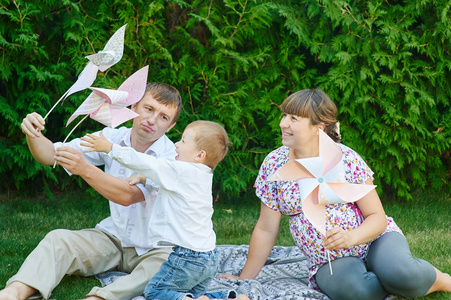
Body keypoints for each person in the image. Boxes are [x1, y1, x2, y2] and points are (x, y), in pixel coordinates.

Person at [220, 89, 451, 300]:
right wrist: (245, 278)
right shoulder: (274, 164)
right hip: (330, 259)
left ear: (318, 127)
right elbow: (266, 228)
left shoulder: (345, 158)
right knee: (358, 293)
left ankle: (439, 280)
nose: (283, 124)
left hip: (375, 240)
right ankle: (388, 280)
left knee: (403, 274)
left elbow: (377, 218)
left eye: (293, 119)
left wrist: (351, 238)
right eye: (284, 116)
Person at [0, 82, 183, 300]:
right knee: (58, 240)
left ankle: (97, 298)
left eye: (163, 117)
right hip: (113, 238)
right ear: (133, 107)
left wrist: (85, 170)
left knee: (166, 267)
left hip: (155, 248)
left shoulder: (171, 157)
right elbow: (50, 155)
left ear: (170, 127)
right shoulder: (111, 138)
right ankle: (15, 292)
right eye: (149, 109)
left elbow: (128, 196)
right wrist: (33, 133)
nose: (152, 120)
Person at [81, 120, 249, 300]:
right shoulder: (203, 174)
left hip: (187, 257)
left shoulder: (180, 170)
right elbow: (171, 185)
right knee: (192, 294)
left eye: (183, 141)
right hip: (209, 257)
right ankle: (230, 297)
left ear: (200, 154)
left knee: (156, 291)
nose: (176, 144)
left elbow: (145, 162)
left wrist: (110, 148)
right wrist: (146, 180)